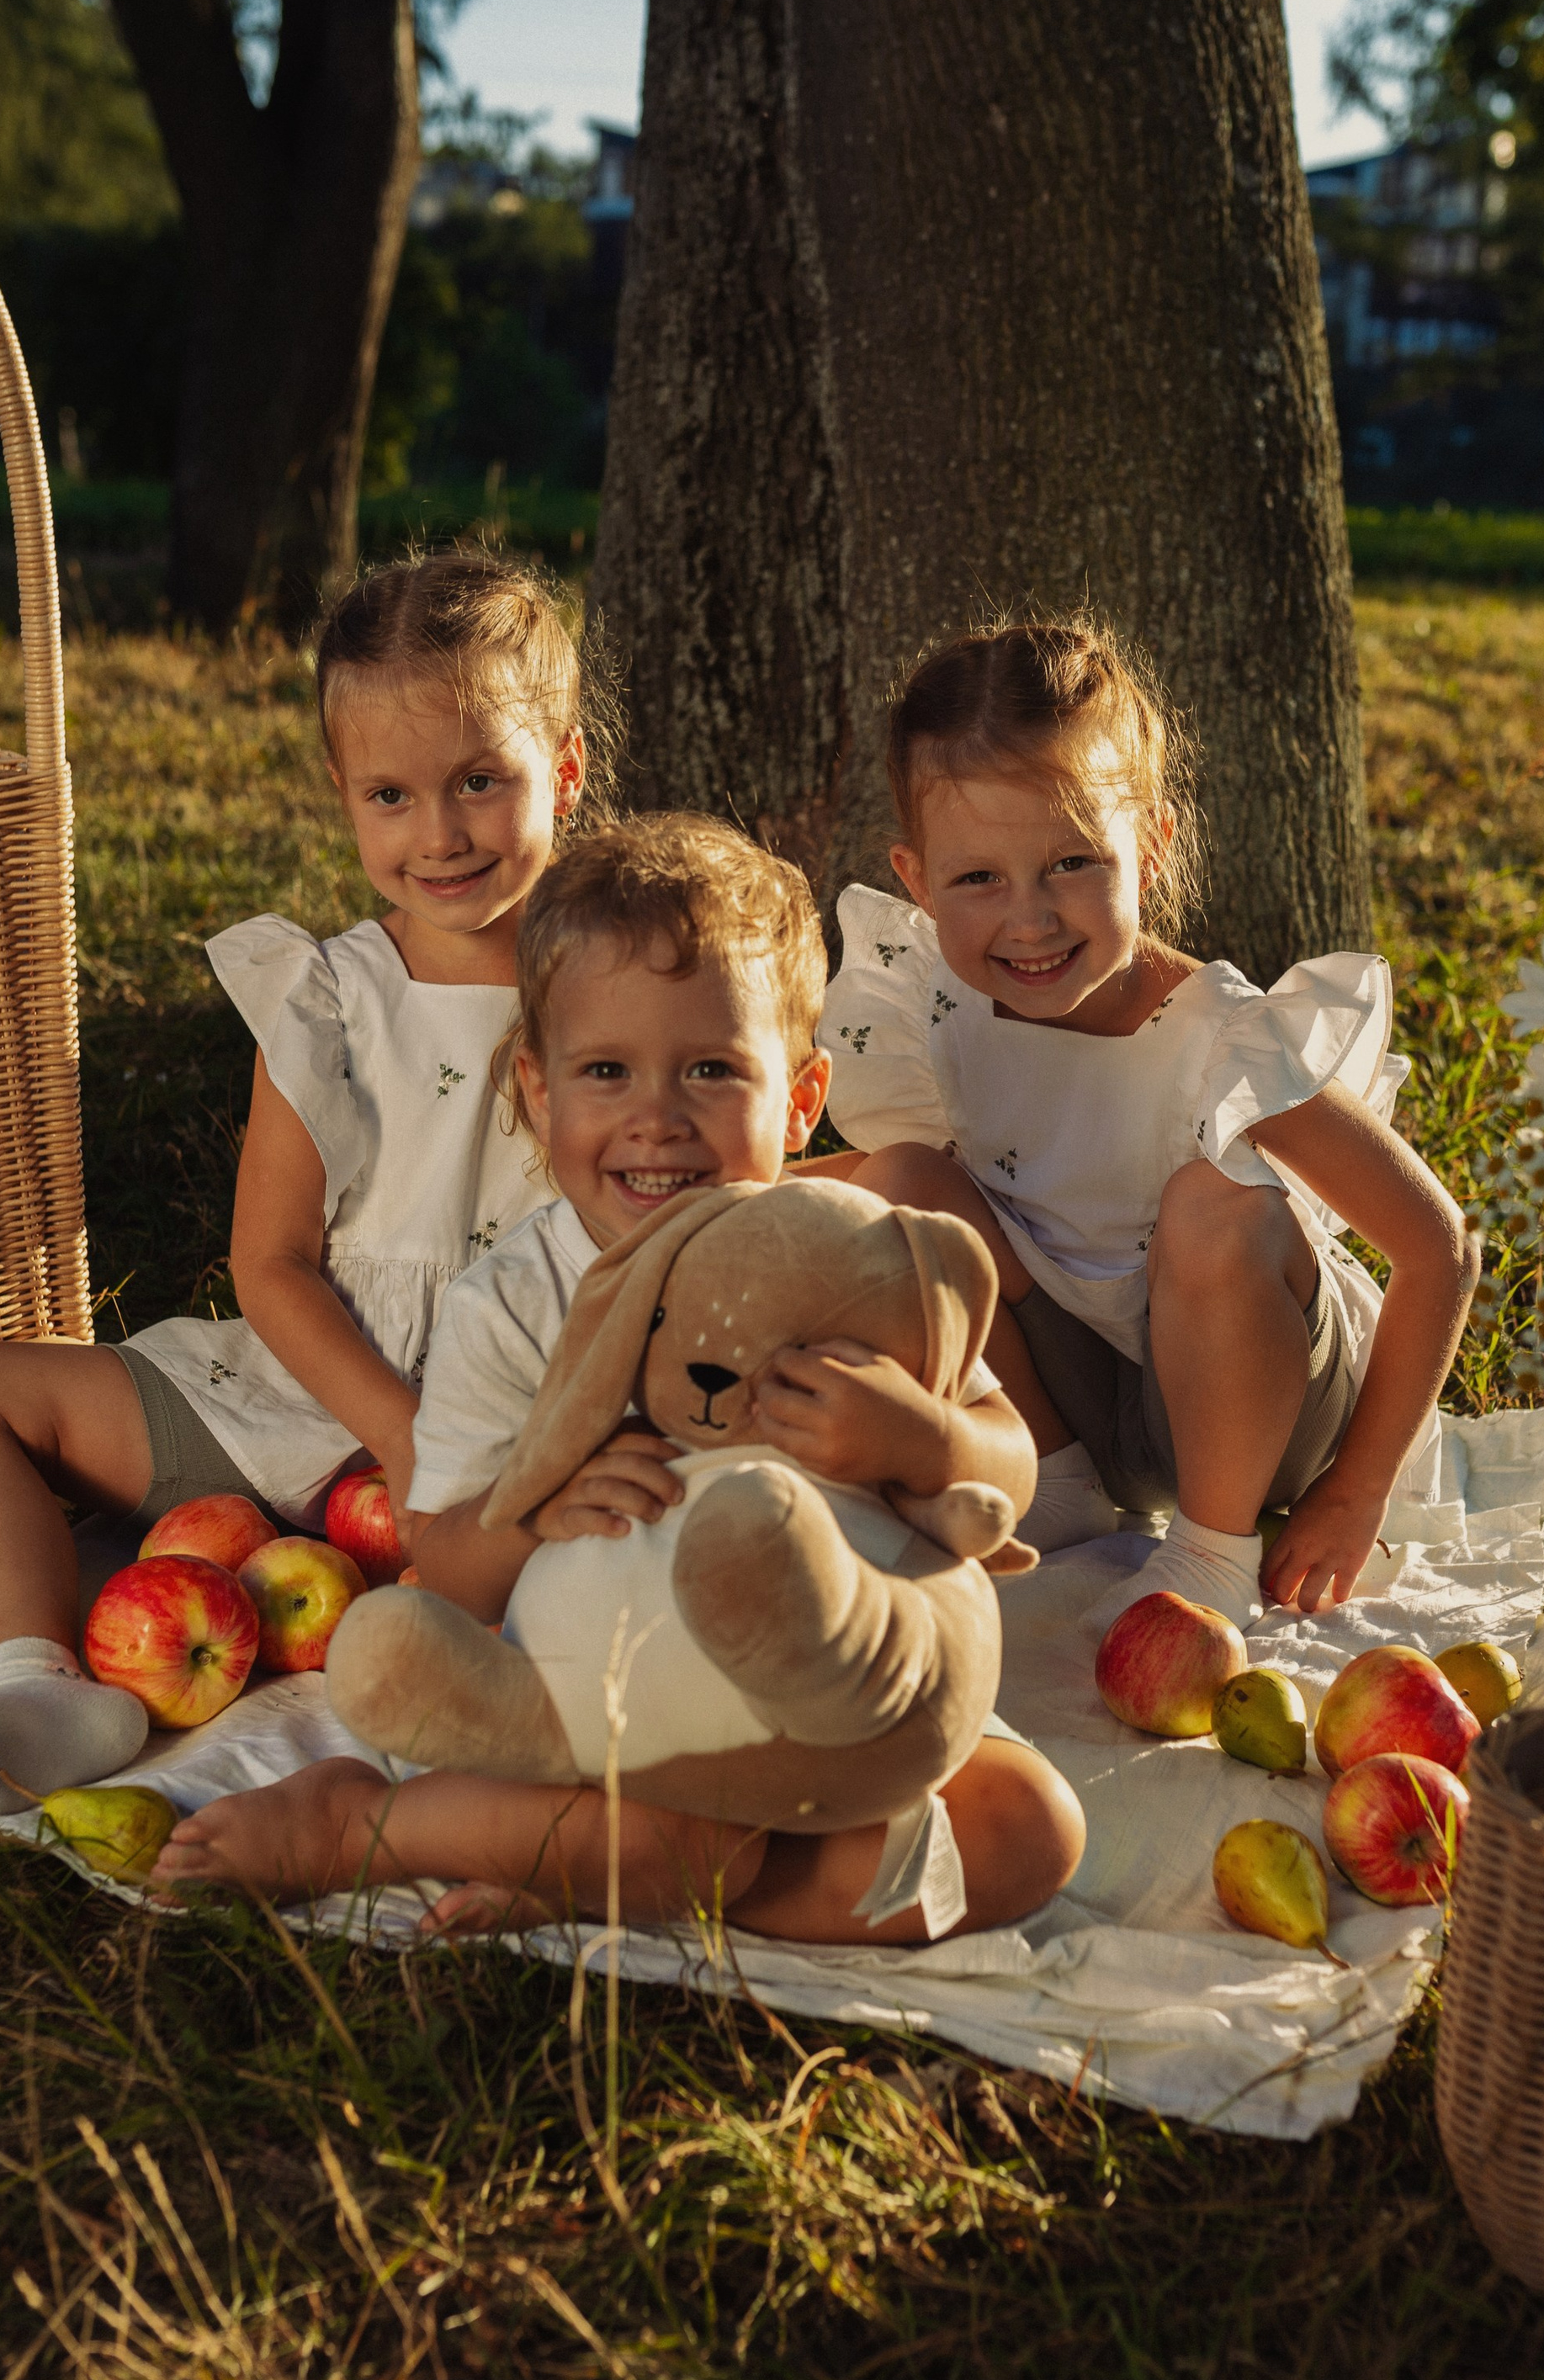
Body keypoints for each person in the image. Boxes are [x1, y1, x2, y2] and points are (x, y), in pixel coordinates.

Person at [153, 814, 1085, 1940]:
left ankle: (584, 1879)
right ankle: (363, 1829)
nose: (657, 1117)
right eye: (607, 1071)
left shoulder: (850, 1258)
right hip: (596, 1724)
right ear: (539, 1096)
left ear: (799, 1099)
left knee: (1032, 1827)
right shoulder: (514, 1304)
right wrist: (538, 1509)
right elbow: (444, 1561)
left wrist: (922, 1442)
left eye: (711, 1070)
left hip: (829, 1709)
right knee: (681, 1837)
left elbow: (1009, 1461)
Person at [0, 548, 593, 1807]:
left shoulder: (612, 981)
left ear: (568, 766)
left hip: (521, 1429)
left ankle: (452, 1670)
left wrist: (466, 1466)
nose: (438, 834)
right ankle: (37, 1686)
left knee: (593, 1578)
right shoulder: (326, 998)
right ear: (342, 796)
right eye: (390, 795)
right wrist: (400, 1437)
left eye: (481, 781)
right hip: (306, 1396)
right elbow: (268, 1263)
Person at [814, 618, 1480, 1626]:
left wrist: (1355, 1492)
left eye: (1074, 863)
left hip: (1261, 1403)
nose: (1029, 920)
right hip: (1080, 1387)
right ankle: (1057, 1490)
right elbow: (919, 1198)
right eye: (977, 879)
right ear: (916, 882)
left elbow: (1438, 1246)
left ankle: (1212, 1556)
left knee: (1215, 1205)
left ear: (1154, 847)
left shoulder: (1224, 1039)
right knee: (900, 1182)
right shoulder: (935, 1007)